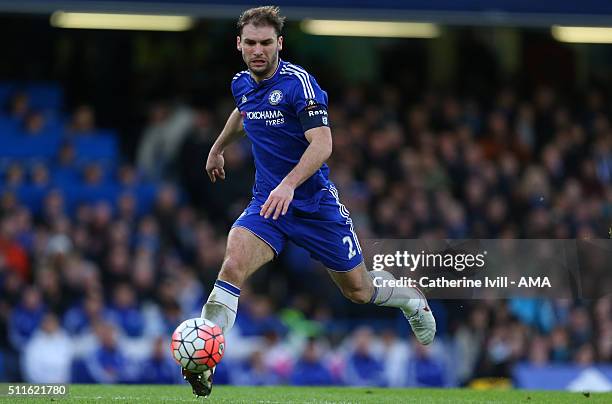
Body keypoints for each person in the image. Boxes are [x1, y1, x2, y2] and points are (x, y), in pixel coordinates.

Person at [182, 6, 436, 397]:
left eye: (266, 42)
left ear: (279, 43)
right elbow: (242, 113)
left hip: (315, 207)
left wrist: (288, 184)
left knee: (359, 291)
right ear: (239, 44)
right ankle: (204, 362)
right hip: (267, 206)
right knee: (232, 265)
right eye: (250, 42)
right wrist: (218, 148)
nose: (258, 50)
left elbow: (323, 143)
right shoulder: (241, 83)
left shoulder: (300, 84)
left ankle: (408, 298)